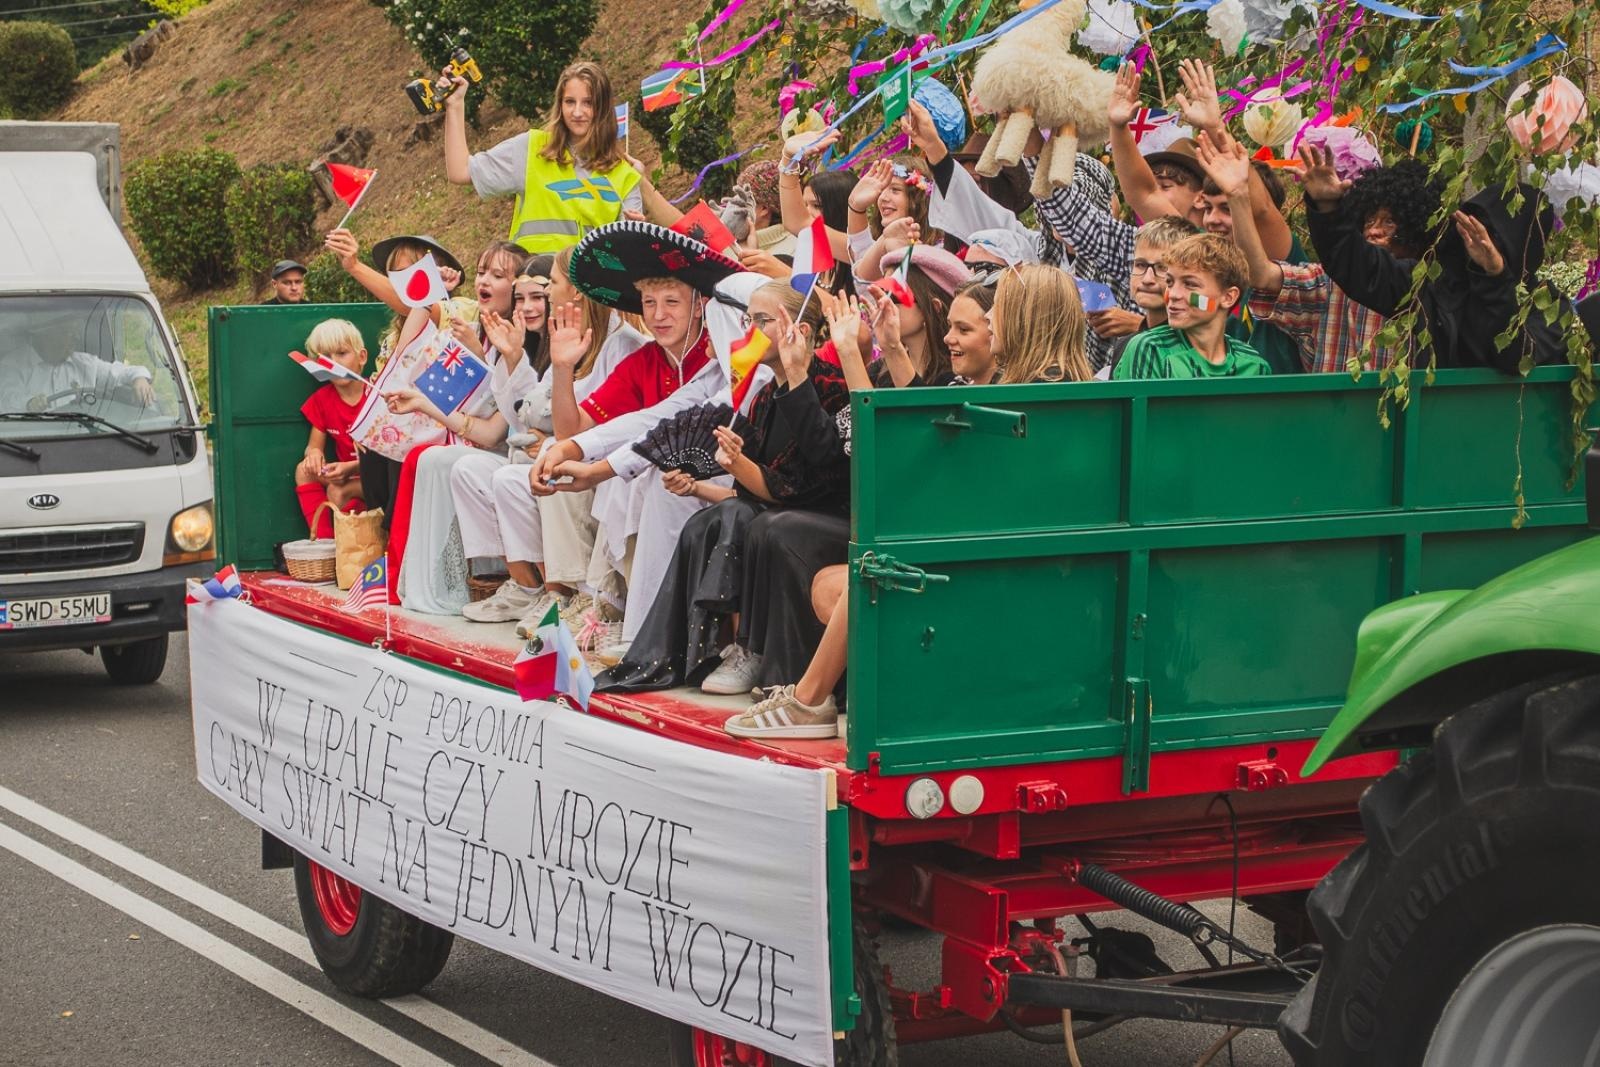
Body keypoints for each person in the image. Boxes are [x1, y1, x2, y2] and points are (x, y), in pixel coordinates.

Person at [597, 283, 850, 695]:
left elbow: (813, 472)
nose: (750, 331)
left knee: (750, 521)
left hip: (829, 516)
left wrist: (742, 465)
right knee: (704, 522)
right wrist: (697, 486)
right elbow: (748, 493)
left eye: (763, 321)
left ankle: (751, 649)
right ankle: (696, 647)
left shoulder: (832, 386)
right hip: (780, 508)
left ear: (801, 330)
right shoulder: (766, 395)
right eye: (748, 320)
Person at [1195, 132, 1392, 374]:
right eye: (1369, 220)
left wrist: (1215, 126)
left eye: (1390, 223)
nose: (1375, 231)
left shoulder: (1430, 291)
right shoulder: (1323, 283)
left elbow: (1263, 212)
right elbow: (1260, 276)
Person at [443, 59, 641, 253]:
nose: (577, 112)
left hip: (589, 285)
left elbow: (629, 254)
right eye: (570, 102)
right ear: (560, 105)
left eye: (588, 103)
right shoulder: (532, 148)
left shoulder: (625, 174)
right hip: (532, 282)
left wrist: (636, 238)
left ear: (603, 109)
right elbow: (460, 171)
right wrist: (455, 104)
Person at [1113, 234, 1271, 380]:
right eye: (1170, 282)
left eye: (1189, 284)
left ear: (1228, 297)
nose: (1173, 294)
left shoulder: (1255, 366)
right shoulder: (1150, 349)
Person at [293, 319, 368, 537]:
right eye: (325, 358)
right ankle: (324, 542)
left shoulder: (375, 396)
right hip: (342, 473)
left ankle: (340, 544)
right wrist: (314, 455)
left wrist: (351, 468)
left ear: (361, 357)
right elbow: (314, 447)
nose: (333, 363)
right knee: (303, 470)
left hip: (371, 477)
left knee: (337, 490)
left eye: (342, 353)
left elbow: (385, 461)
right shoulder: (322, 399)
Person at [0, 307, 155, 411]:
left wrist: (139, 378)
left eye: (76, 333)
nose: (76, 338)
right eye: (68, 332)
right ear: (47, 335)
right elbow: (7, 400)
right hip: (32, 443)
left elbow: (120, 373)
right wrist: (29, 405)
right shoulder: (12, 365)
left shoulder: (84, 363)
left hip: (84, 438)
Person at [992, 265, 1094, 385]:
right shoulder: (1051, 382)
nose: (988, 316)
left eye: (996, 306)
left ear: (1024, 319)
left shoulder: (1047, 390)